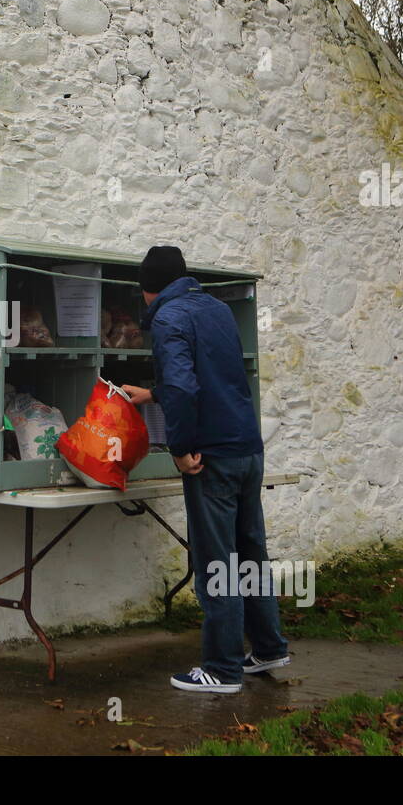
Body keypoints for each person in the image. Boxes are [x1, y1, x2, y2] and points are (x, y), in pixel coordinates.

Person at [122, 246, 289, 694]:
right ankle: (269, 648)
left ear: (146, 290)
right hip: (247, 450)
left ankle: (222, 669)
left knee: (218, 562)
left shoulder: (167, 317)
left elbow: (183, 384)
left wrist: (181, 448)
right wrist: (152, 395)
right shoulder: (215, 308)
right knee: (251, 551)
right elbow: (213, 375)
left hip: (210, 456)